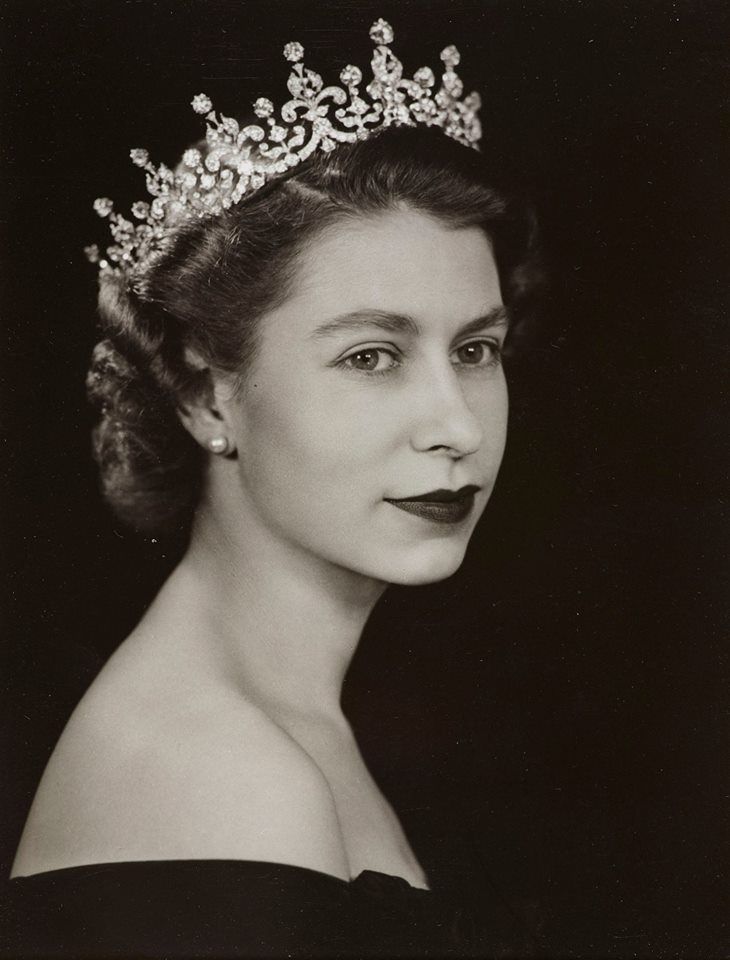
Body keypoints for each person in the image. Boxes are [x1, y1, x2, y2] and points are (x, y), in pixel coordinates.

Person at [7, 20, 543, 958]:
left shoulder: (277, 728)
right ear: (204, 390)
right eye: (371, 356)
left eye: (475, 350)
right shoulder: (226, 776)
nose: (457, 425)